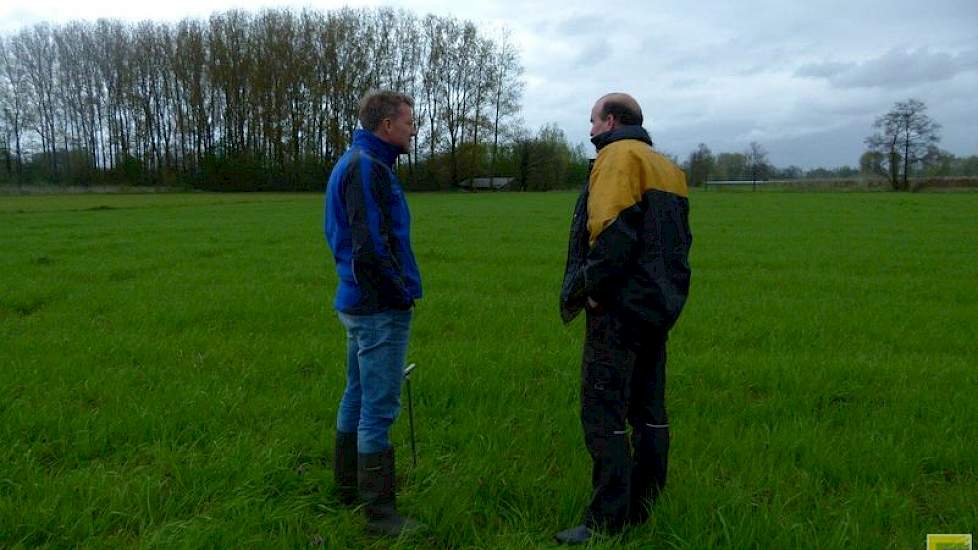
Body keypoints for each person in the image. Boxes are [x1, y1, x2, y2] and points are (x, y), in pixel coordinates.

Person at [556, 93, 692, 545]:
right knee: (649, 410)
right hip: (659, 307)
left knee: (604, 412)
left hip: (619, 311)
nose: (590, 129)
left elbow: (610, 235)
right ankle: (643, 507)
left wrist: (592, 291)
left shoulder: (616, 159)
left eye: (593, 120)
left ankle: (605, 520)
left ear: (611, 121)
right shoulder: (667, 167)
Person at [323, 90, 423, 537]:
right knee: (378, 408)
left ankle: (347, 490)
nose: (413, 129)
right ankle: (381, 516)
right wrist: (400, 294)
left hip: (358, 301)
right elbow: (369, 246)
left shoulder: (360, 161)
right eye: (408, 122)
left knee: (357, 395)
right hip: (376, 305)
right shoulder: (367, 167)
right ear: (386, 126)